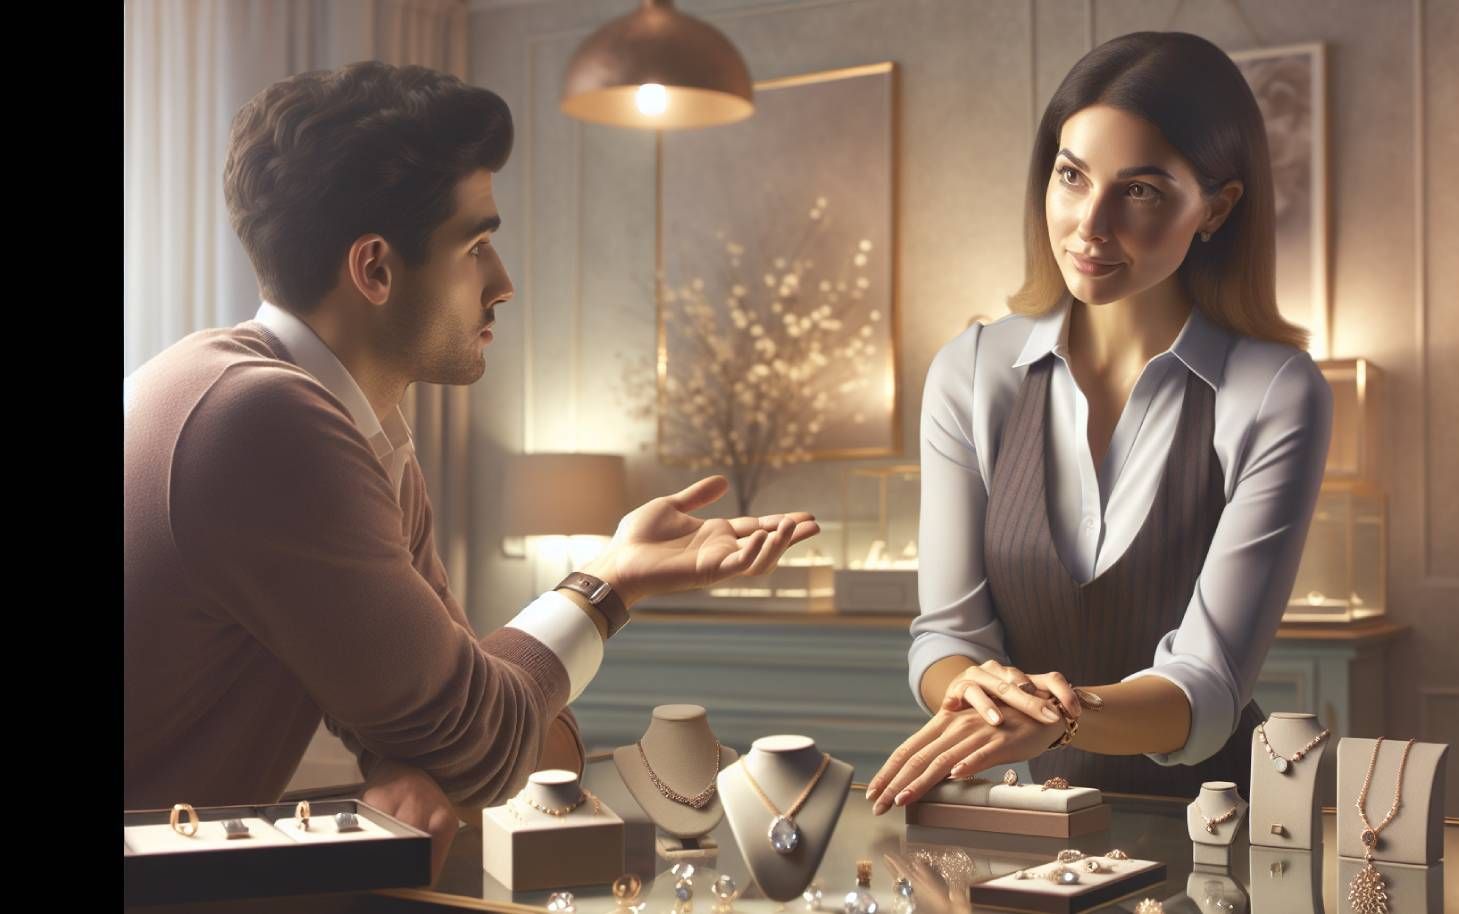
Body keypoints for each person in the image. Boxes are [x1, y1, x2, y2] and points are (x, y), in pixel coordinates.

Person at [123, 60, 819, 878]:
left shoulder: (350, 423)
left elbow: (461, 724)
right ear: (375, 268)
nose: (504, 283)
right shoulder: (260, 424)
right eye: (477, 244)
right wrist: (609, 585)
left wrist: (430, 747)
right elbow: (482, 742)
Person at [866, 32, 1332, 813]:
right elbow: (947, 639)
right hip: (1035, 820)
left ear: (1215, 208)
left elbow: (1207, 682)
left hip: (1219, 828)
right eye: (1072, 176)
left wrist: (1057, 718)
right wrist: (982, 692)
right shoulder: (973, 371)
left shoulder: (1276, 392)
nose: (1090, 224)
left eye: (1141, 191)